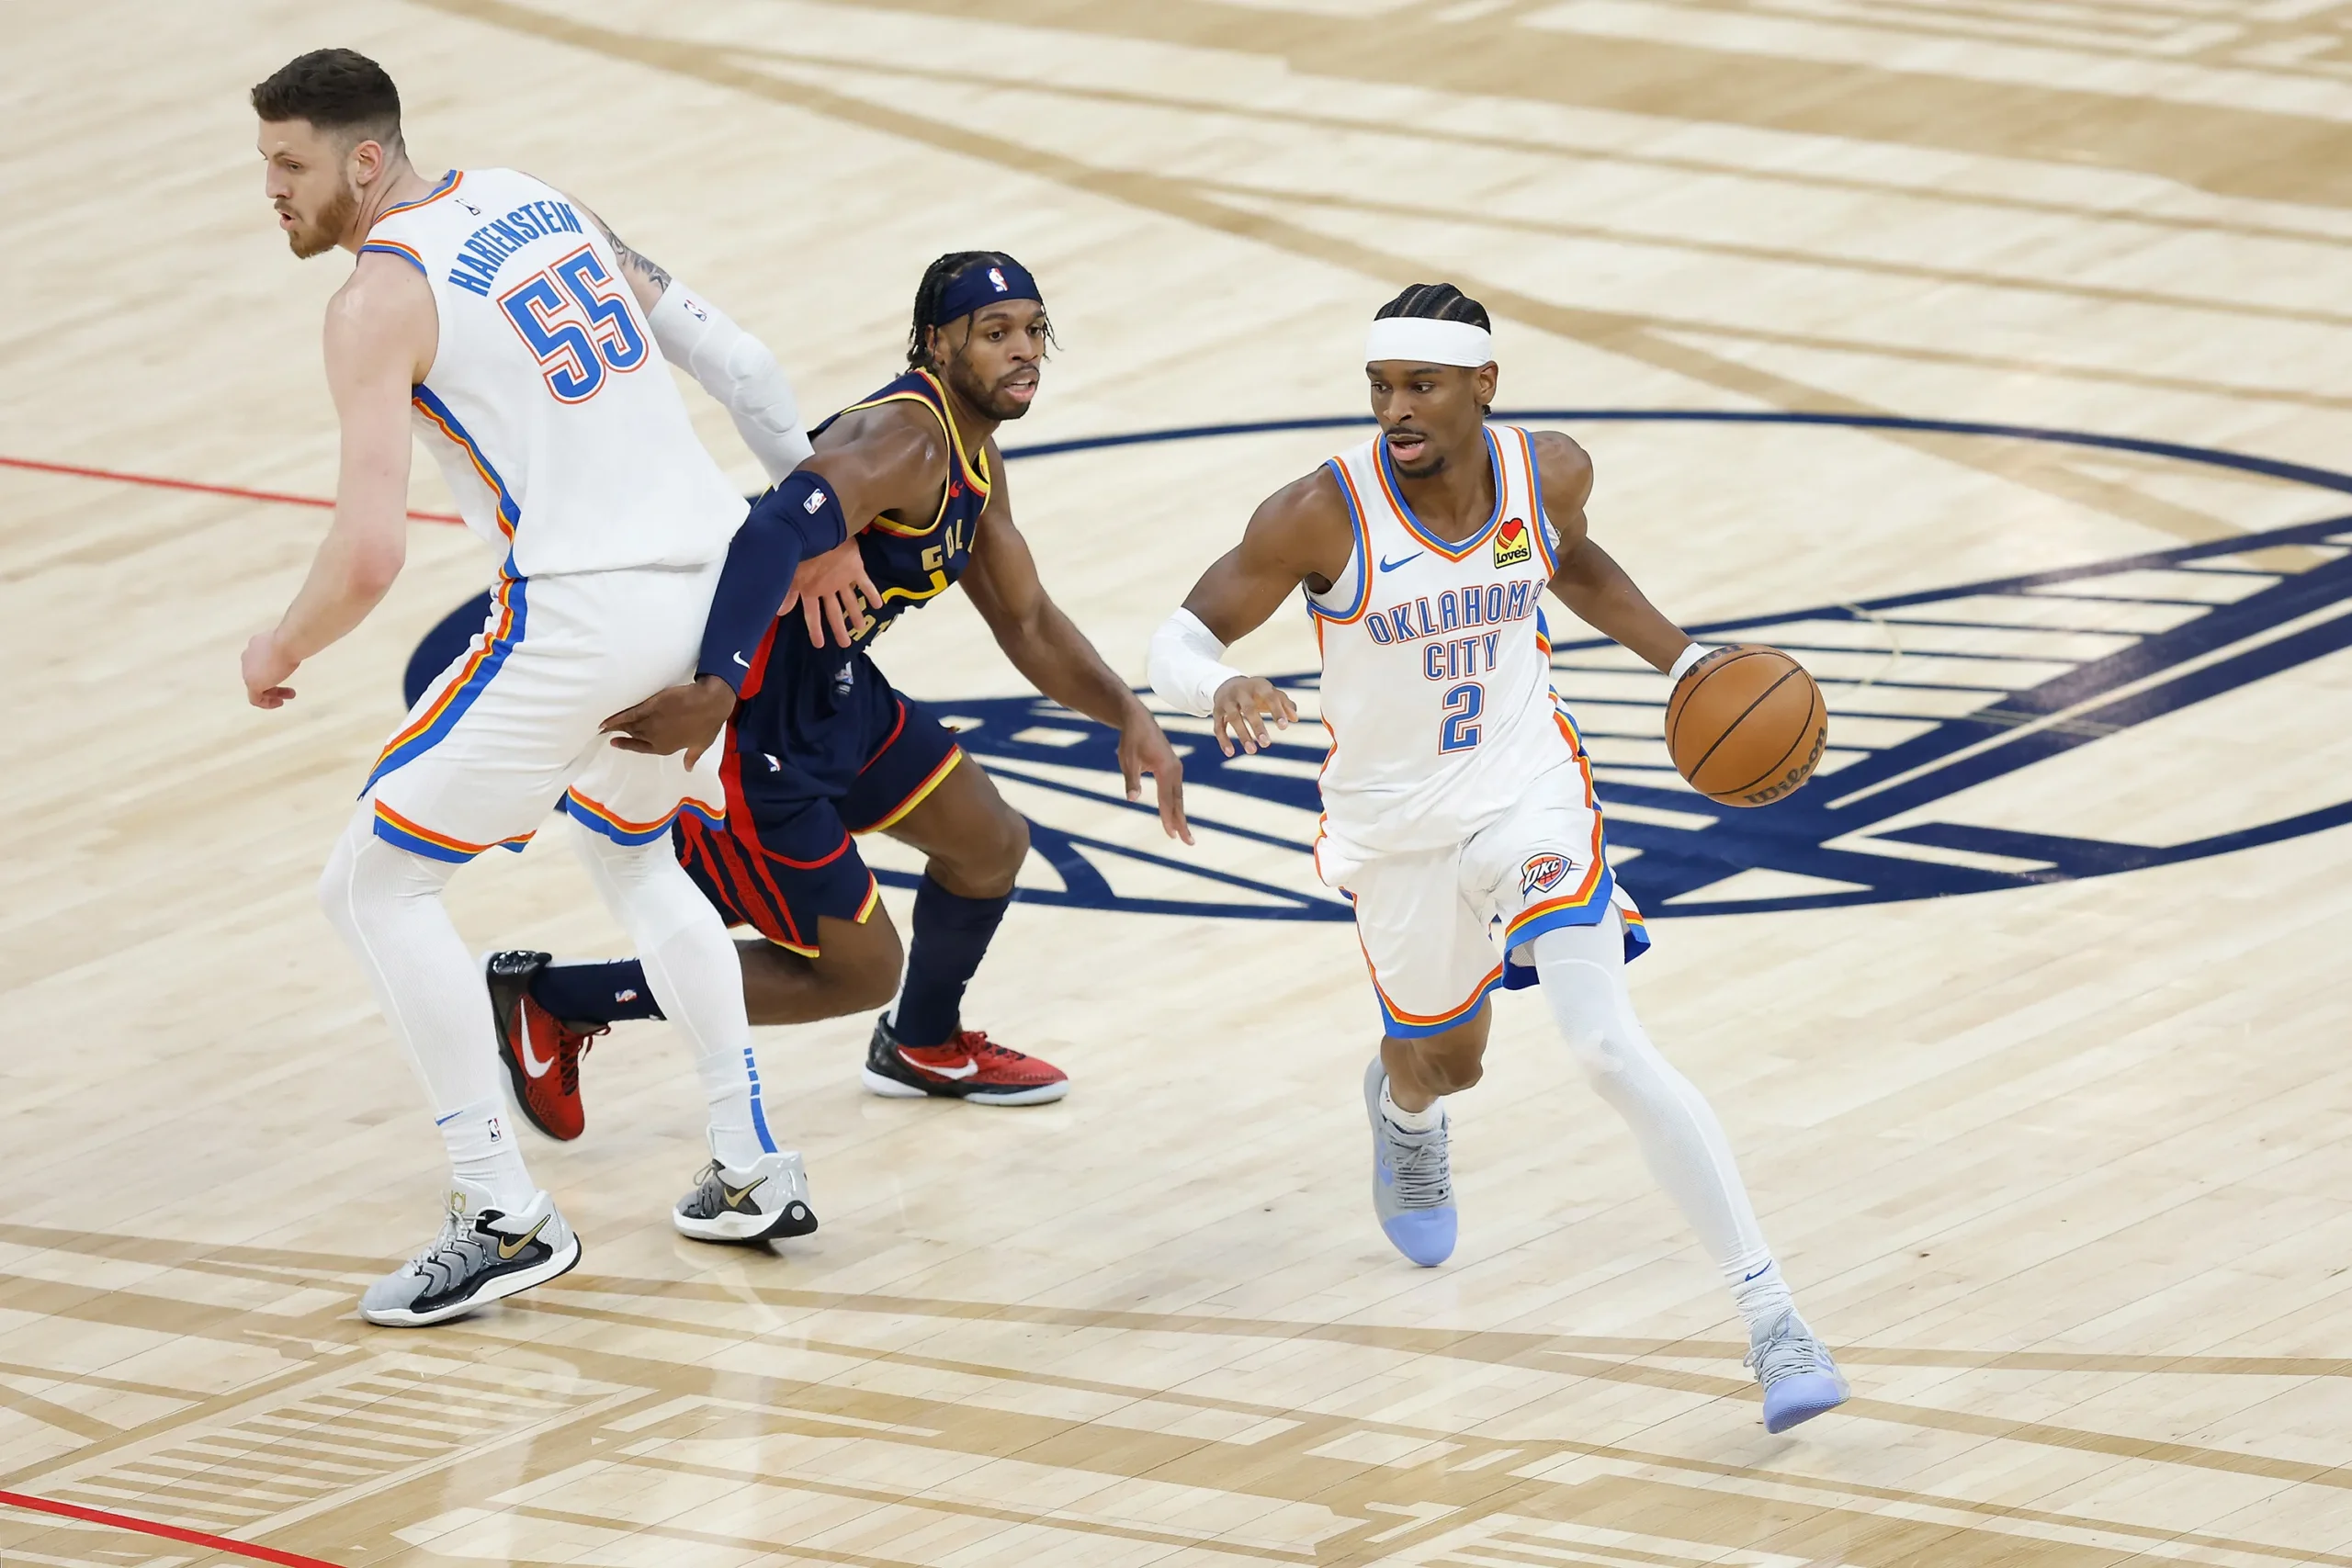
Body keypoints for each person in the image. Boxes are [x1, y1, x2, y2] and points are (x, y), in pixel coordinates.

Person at [1145, 284, 1849, 1432]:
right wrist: (1213, 683)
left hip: (1530, 796)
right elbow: (1178, 633)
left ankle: (1774, 1320)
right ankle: (1405, 1115)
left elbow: (1566, 561)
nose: (1395, 409)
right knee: (1445, 1064)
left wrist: (1680, 664)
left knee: (1605, 1046)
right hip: (1395, 831)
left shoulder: (1549, 470)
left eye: (1420, 385)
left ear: (1483, 386)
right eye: (1380, 387)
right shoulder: (1321, 514)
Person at [243, 49, 842, 1325]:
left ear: (362, 159)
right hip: (711, 584)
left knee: (373, 880)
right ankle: (748, 1163)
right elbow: (739, 359)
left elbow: (366, 554)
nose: (272, 194)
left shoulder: (375, 298)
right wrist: (818, 512)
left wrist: (280, 646)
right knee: (634, 857)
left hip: (586, 610)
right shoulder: (540, 198)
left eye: (288, 165)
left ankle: (502, 1208)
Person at [482, 252, 1189, 1145]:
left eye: (1034, 331)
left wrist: (1128, 715)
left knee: (988, 845)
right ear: (936, 343)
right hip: (754, 723)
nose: (1024, 352)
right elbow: (771, 528)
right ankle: (553, 997)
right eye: (996, 332)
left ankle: (922, 1043)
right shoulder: (910, 442)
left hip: (836, 688)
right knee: (855, 971)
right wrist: (715, 687)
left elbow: (1027, 620)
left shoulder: (974, 456)